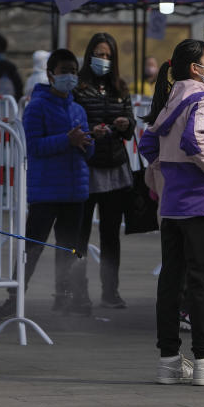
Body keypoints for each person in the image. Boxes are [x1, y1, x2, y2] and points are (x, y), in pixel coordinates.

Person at [139, 39, 204, 387]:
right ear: (196, 68)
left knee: (171, 281)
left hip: (172, 204)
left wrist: (163, 173)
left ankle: (169, 361)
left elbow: (147, 143)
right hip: (200, 202)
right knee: (201, 282)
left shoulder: (171, 98)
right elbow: (196, 141)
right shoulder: (201, 98)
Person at [0, 49, 93, 320]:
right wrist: (66, 140)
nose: (70, 76)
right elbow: (33, 146)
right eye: (64, 71)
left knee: (70, 247)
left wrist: (87, 143)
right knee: (32, 246)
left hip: (75, 190)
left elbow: (87, 149)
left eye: (73, 71)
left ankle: (65, 295)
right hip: (46, 190)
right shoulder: (37, 106)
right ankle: (14, 297)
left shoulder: (78, 108)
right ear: (50, 74)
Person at [73, 33, 135, 309]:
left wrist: (126, 124)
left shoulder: (120, 87)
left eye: (108, 55)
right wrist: (90, 132)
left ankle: (111, 291)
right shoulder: (78, 87)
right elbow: (72, 123)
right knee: (80, 235)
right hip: (87, 166)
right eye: (99, 54)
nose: (104, 60)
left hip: (115, 166)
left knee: (111, 236)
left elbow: (132, 126)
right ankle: (78, 292)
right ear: (89, 55)